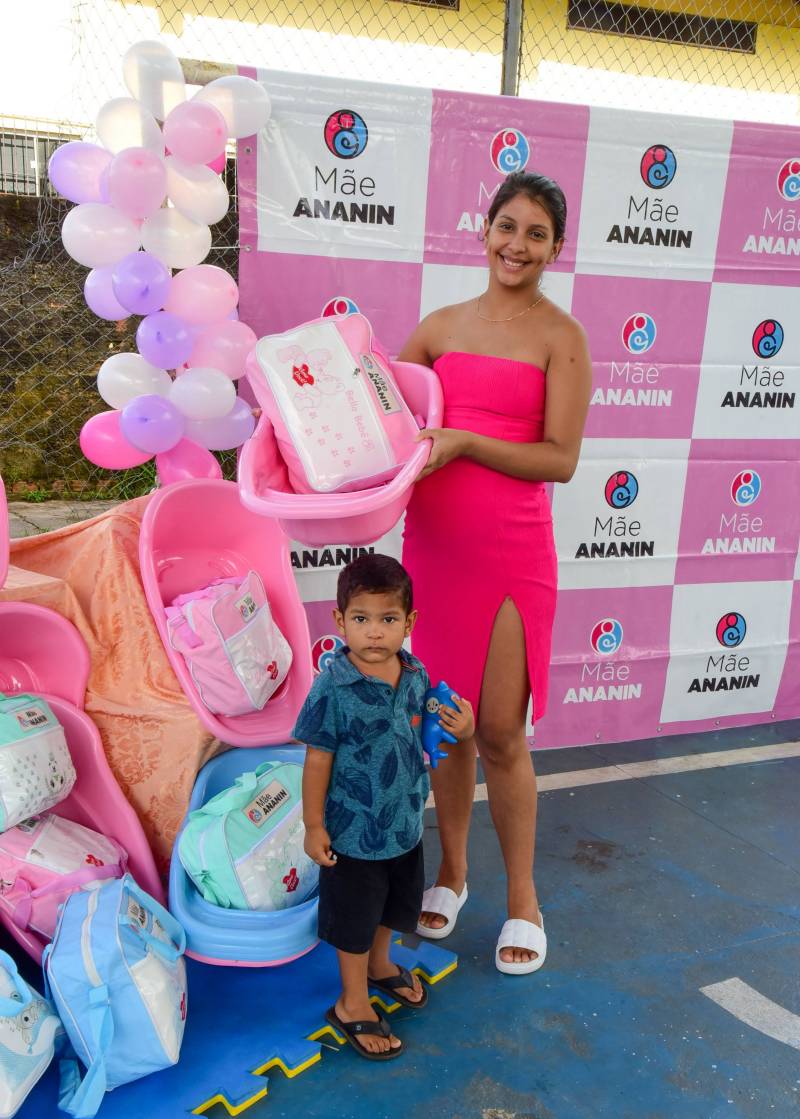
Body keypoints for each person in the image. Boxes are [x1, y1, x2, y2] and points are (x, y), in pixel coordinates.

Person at [398, 169, 592, 975]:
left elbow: (561, 458)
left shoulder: (562, 336)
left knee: (503, 731)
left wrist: (470, 443)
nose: (517, 244)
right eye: (507, 226)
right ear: (484, 230)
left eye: (536, 233)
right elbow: (389, 415)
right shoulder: (438, 327)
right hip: (434, 548)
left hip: (513, 554)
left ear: (555, 247)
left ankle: (523, 898)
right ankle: (452, 871)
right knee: (448, 724)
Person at [294, 553, 474, 1060]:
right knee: (354, 921)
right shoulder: (333, 686)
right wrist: (313, 824)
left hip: (404, 825)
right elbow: (317, 759)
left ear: (409, 622)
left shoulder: (415, 674)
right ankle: (351, 1002)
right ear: (340, 621)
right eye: (361, 618)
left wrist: (463, 728)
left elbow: (434, 730)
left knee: (394, 907)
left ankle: (379, 966)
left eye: (388, 619)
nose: (374, 632)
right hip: (352, 834)